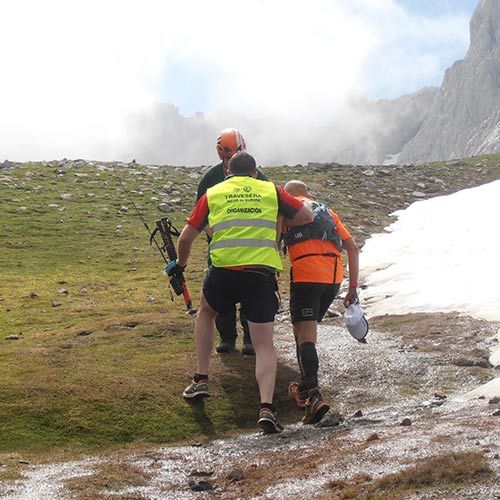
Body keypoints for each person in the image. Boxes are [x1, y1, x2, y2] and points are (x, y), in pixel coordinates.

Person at [167, 153, 314, 433]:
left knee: (206, 312)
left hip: (223, 271)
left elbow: (186, 237)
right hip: (260, 274)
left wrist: (181, 265)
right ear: (255, 173)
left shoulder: (214, 192)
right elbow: (306, 215)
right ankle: (267, 409)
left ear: (228, 173)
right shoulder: (271, 190)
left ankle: (200, 379)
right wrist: (279, 221)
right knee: (263, 344)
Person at [282, 180, 360, 425]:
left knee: (304, 335)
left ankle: (313, 396)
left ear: (288, 195)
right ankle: (305, 386)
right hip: (333, 279)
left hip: (306, 273)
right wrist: (353, 287)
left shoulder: (286, 210)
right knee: (304, 331)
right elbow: (353, 248)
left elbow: (274, 243)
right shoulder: (327, 211)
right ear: (307, 193)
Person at [196, 128, 268, 356]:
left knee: (250, 295)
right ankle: (227, 337)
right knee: (221, 296)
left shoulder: (260, 177)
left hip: (252, 249)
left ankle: (249, 338)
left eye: (233, 155)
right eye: (225, 156)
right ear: (219, 155)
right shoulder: (209, 179)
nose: (229, 161)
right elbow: (200, 215)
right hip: (221, 248)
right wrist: (214, 233)